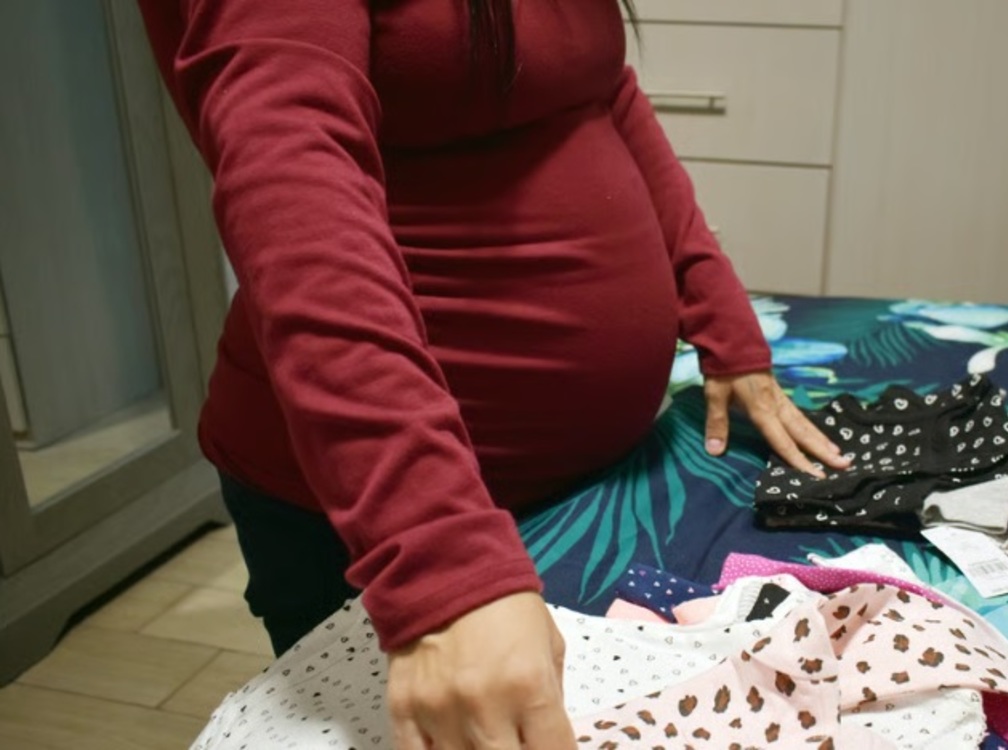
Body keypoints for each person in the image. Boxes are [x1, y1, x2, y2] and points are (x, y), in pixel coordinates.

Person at [136, 1, 849, 747]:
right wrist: (437, 556)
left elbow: (601, 91)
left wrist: (722, 317)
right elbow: (292, 182)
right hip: (387, 505)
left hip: (599, 487)